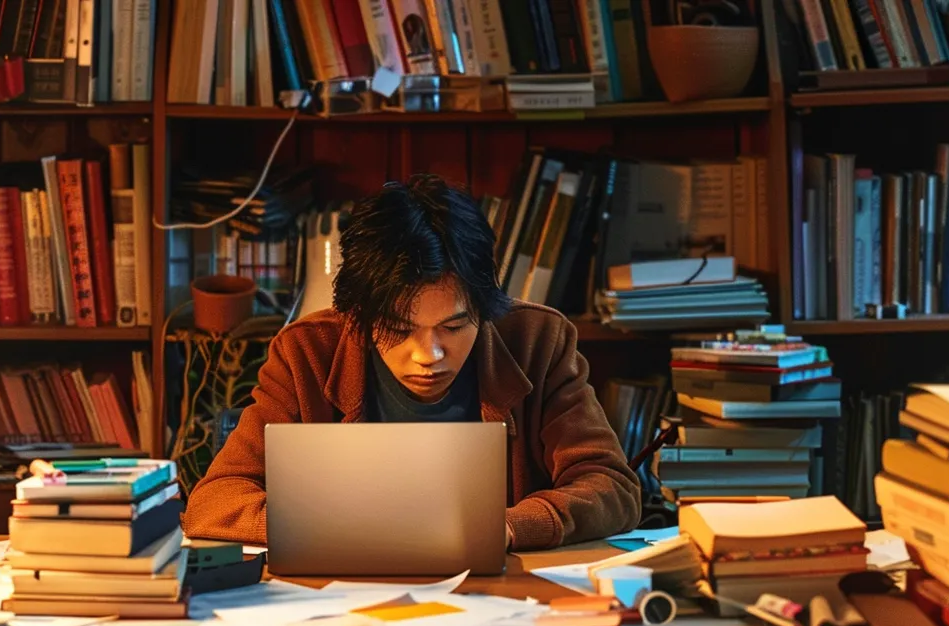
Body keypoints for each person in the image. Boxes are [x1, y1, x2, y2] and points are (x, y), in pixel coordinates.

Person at [181, 175, 641, 551]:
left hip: (500, 598)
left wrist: (509, 527)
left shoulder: (537, 341)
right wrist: (333, 529)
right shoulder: (307, 353)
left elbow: (610, 487)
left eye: (455, 326)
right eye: (400, 330)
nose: (429, 355)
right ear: (357, 316)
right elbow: (216, 500)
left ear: (484, 308)